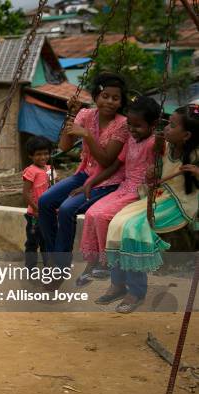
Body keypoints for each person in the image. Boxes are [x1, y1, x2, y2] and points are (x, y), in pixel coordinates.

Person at [98, 104, 199, 313]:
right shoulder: (165, 147)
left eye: (172, 125)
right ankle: (118, 283)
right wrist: (152, 174)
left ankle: (136, 292)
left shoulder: (197, 154)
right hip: (160, 196)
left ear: (187, 135)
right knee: (117, 222)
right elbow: (157, 177)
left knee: (135, 229)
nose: (166, 128)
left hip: (181, 203)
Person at [38, 72, 130, 274]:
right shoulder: (85, 115)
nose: (110, 102)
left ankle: (60, 267)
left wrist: (87, 135)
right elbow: (64, 146)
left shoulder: (122, 124)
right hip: (84, 173)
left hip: (108, 180)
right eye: (105, 96)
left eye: (116, 98)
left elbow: (107, 161)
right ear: (96, 97)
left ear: (121, 102)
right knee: (44, 201)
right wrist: (71, 115)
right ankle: (54, 255)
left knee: (66, 209)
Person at [77, 96, 160, 286]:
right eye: (129, 124)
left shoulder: (155, 143)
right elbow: (116, 164)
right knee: (91, 213)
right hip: (125, 187)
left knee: (104, 216)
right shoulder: (131, 139)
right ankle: (93, 262)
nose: (131, 129)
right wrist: (91, 182)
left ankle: (107, 262)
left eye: (137, 126)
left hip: (139, 191)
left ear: (153, 124)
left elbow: (167, 159)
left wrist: (154, 171)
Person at [22, 136, 55, 270]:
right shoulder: (30, 171)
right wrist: (37, 209)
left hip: (48, 213)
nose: (43, 157)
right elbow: (26, 193)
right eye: (38, 154)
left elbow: (54, 189)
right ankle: (30, 267)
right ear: (31, 155)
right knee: (32, 242)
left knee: (46, 242)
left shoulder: (50, 169)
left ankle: (48, 267)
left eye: (46, 153)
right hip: (34, 215)